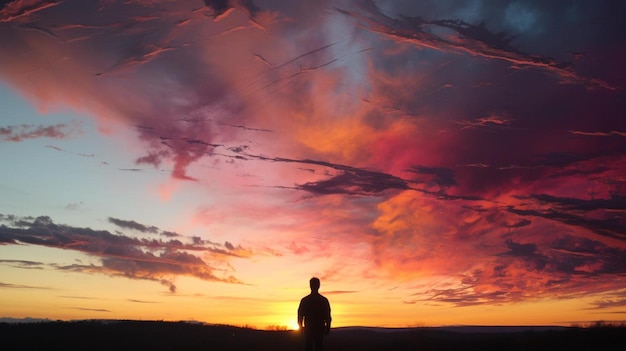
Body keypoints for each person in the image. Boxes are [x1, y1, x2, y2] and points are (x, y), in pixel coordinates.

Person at [297, 277, 332, 351]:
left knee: (309, 347)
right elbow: (327, 316)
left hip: (309, 328)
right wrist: (328, 327)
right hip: (319, 328)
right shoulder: (323, 300)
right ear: (319, 286)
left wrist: (300, 327)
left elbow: (300, 315)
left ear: (310, 286)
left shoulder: (305, 300)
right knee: (318, 346)